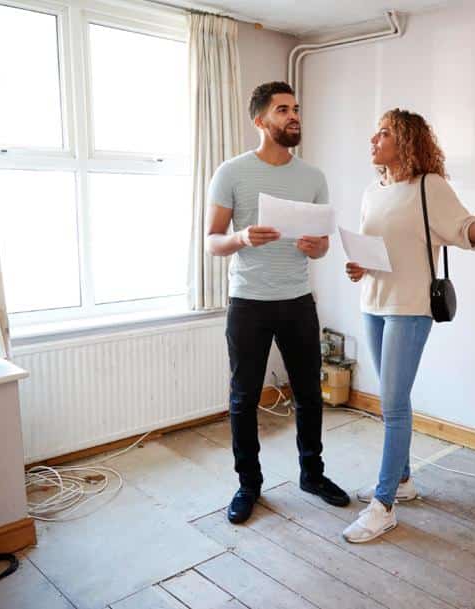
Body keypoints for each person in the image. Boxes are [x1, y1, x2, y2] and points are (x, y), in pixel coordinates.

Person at [342, 108, 475, 543]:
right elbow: (379, 249)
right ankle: (403, 481)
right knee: (392, 401)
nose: (373, 139)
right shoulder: (372, 191)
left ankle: (383, 504)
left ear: (405, 141)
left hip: (410, 307)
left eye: (383, 133)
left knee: (394, 403)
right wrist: (358, 267)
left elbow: (466, 233)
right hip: (373, 302)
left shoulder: (430, 187)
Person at [206, 81, 350, 524]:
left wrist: (315, 248)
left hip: (297, 300)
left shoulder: (313, 177)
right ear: (260, 121)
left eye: (296, 109)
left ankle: (313, 474)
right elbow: (212, 242)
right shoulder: (231, 172)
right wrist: (242, 237)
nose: (294, 116)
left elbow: (323, 245)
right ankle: (249, 485)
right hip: (248, 302)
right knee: (243, 398)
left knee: (309, 394)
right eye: (283, 109)